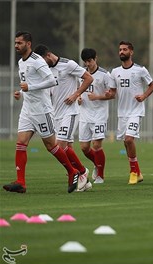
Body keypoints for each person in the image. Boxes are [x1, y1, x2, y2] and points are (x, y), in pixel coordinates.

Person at [3, 31, 80, 194]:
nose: (16, 45)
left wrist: (30, 88)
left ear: (28, 44)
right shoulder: (21, 62)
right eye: (15, 43)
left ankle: (73, 172)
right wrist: (21, 93)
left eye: (20, 43)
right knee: (20, 143)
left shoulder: (38, 62)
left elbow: (51, 81)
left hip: (42, 110)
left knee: (51, 146)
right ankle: (21, 182)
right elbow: (29, 83)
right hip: (27, 109)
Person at [34, 44, 93, 192]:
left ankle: (81, 172)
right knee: (66, 149)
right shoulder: (46, 71)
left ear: (48, 56)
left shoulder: (68, 65)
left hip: (70, 112)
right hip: (56, 114)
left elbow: (88, 78)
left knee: (59, 145)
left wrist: (76, 94)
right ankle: (83, 180)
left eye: (42, 61)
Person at [108, 41, 153, 185]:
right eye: (120, 49)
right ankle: (138, 172)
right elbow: (112, 92)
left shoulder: (140, 70)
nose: (121, 52)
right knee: (126, 142)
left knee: (129, 139)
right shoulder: (115, 72)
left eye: (124, 49)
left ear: (131, 52)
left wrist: (143, 96)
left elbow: (152, 86)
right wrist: (106, 94)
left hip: (136, 111)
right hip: (122, 113)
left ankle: (133, 172)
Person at [79, 48, 113, 184]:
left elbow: (112, 94)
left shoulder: (105, 75)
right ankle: (97, 164)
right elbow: (78, 90)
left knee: (97, 145)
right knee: (84, 147)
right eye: (85, 62)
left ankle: (100, 176)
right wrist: (78, 98)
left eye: (90, 61)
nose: (88, 64)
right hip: (84, 114)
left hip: (99, 114)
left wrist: (97, 97)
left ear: (95, 59)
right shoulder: (80, 74)